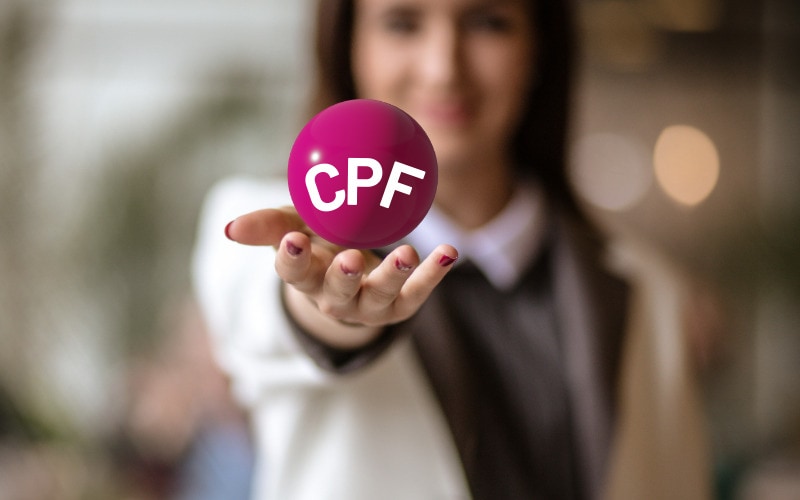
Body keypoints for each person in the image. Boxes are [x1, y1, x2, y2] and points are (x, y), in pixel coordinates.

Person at [192, 0, 712, 498]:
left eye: (488, 22)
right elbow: (283, 324)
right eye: (401, 22)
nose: (444, 69)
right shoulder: (264, 231)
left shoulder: (650, 284)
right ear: (348, 43)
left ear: (540, 46)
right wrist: (335, 312)